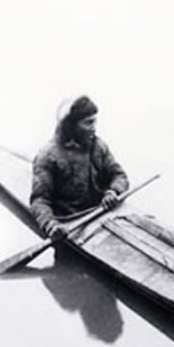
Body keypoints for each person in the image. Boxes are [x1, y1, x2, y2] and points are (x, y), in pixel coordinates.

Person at [30, 95, 129, 241]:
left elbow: (119, 175)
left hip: (101, 214)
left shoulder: (98, 146)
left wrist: (113, 191)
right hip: (70, 223)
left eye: (95, 122)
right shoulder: (47, 156)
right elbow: (39, 201)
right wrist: (51, 225)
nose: (94, 128)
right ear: (71, 126)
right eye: (88, 123)